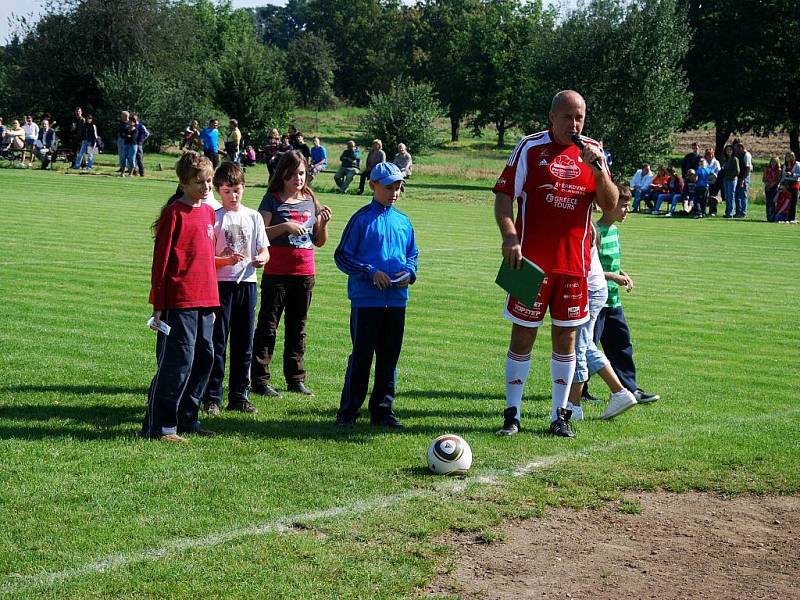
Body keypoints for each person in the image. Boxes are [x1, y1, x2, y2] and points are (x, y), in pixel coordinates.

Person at [493, 89, 618, 439]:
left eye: (579, 117)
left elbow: (609, 205)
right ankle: (512, 414)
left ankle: (559, 415)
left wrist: (600, 171)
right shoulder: (530, 148)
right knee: (522, 336)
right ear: (552, 117)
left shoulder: (593, 152)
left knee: (565, 339)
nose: (574, 124)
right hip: (529, 264)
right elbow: (504, 197)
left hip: (575, 266)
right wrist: (509, 236)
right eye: (567, 116)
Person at [141, 151, 219, 442]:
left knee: (204, 358)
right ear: (184, 182)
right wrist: (159, 305)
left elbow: (206, 260)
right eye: (200, 182)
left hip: (205, 300)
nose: (206, 187)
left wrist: (212, 302)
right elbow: (160, 263)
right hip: (179, 300)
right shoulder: (174, 214)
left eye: (209, 181)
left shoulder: (209, 212)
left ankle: (188, 419)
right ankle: (160, 427)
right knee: (178, 362)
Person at [334, 162, 419, 428]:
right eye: (388, 187)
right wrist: (370, 271)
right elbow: (342, 256)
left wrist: (410, 273)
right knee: (361, 356)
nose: (394, 192)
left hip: (396, 301)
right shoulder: (361, 219)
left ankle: (383, 410)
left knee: (389, 357)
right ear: (373, 185)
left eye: (398, 187)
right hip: (366, 301)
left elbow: (412, 255)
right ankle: (348, 411)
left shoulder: (403, 221)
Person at [251, 151, 332, 397]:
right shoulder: (272, 200)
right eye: (294, 173)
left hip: (304, 273)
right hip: (277, 273)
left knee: (298, 328)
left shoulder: (310, 199)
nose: (298, 178)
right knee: (268, 326)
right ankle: (260, 380)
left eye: (302, 173)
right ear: (283, 174)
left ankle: (295, 378)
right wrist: (285, 226)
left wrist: (324, 224)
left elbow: (318, 241)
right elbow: (260, 234)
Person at [202, 162, 270, 416]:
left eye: (237, 190)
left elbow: (263, 249)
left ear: (244, 188)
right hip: (221, 286)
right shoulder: (214, 218)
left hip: (247, 284)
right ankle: (212, 397)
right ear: (219, 191)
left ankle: (240, 395)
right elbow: (207, 258)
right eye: (228, 191)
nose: (233, 196)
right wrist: (226, 260)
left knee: (244, 342)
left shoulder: (253, 217)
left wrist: (262, 258)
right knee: (217, 342)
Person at [590, 185, 660, 406]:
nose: (627, 210)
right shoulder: (595, 232)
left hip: (613, 302)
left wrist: (622, 273)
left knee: (621, 344)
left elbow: (610, 263)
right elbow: (588, 269)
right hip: (596, 302)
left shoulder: (614, 231)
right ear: (608, 205)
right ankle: (577, 392)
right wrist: (613, 277)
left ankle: (630, 389)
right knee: (587, 347)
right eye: (623, 205)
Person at [566, 219, 637, 422]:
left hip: (588, 289)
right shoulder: (585, 223)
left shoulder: (581, 226)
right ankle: (618, 393)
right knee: (586, 345)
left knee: (580, 348)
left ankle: (575, 406)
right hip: (592, 289)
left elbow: (580, 265)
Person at [733, 140, 752, 218]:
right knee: (737, 195)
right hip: (738, 177)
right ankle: (738, 211)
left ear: (741, 147)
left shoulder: (746, 155)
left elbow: (748, 168)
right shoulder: (738, 154)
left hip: (744, 177)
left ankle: (743, 212)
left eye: (737, 148)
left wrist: (743, 179)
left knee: (743, 195)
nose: (735, 149)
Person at [720, 144, 740, 218]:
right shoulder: (726, 159)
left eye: (730, 150)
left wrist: (730, 177)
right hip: (726, 180)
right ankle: (727, 212)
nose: (728, 151)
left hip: (732, 180)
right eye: (727, 150)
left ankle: (730, 213)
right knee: (727, 197)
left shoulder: (735, 159)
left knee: (731, 197)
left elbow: (737, 171)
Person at [781, 151, 800, 224]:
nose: (787, 158)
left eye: (789, 156)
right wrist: (781, 183)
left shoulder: (797, 164)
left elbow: (799, 175)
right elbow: (783, 175)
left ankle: (792, 218)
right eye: (786, 156)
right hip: (786, 183)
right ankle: (785, 217)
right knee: (785, 201)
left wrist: (792, 174)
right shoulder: (785, 165)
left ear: (792, 157)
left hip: (794, 183)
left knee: (793, 202)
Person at [763, 156, 782, 222]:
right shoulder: (767, 169)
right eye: (772, 161)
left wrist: (772, 184)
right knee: (768, 202)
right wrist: (767, 184)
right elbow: (764, 178)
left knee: (773, 202)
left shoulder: (779, 170)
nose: (773, 163)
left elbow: (778, 180)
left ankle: (773, 216)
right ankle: (768, 216)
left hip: (775, 187)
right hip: (767, 187)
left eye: (775, 161)